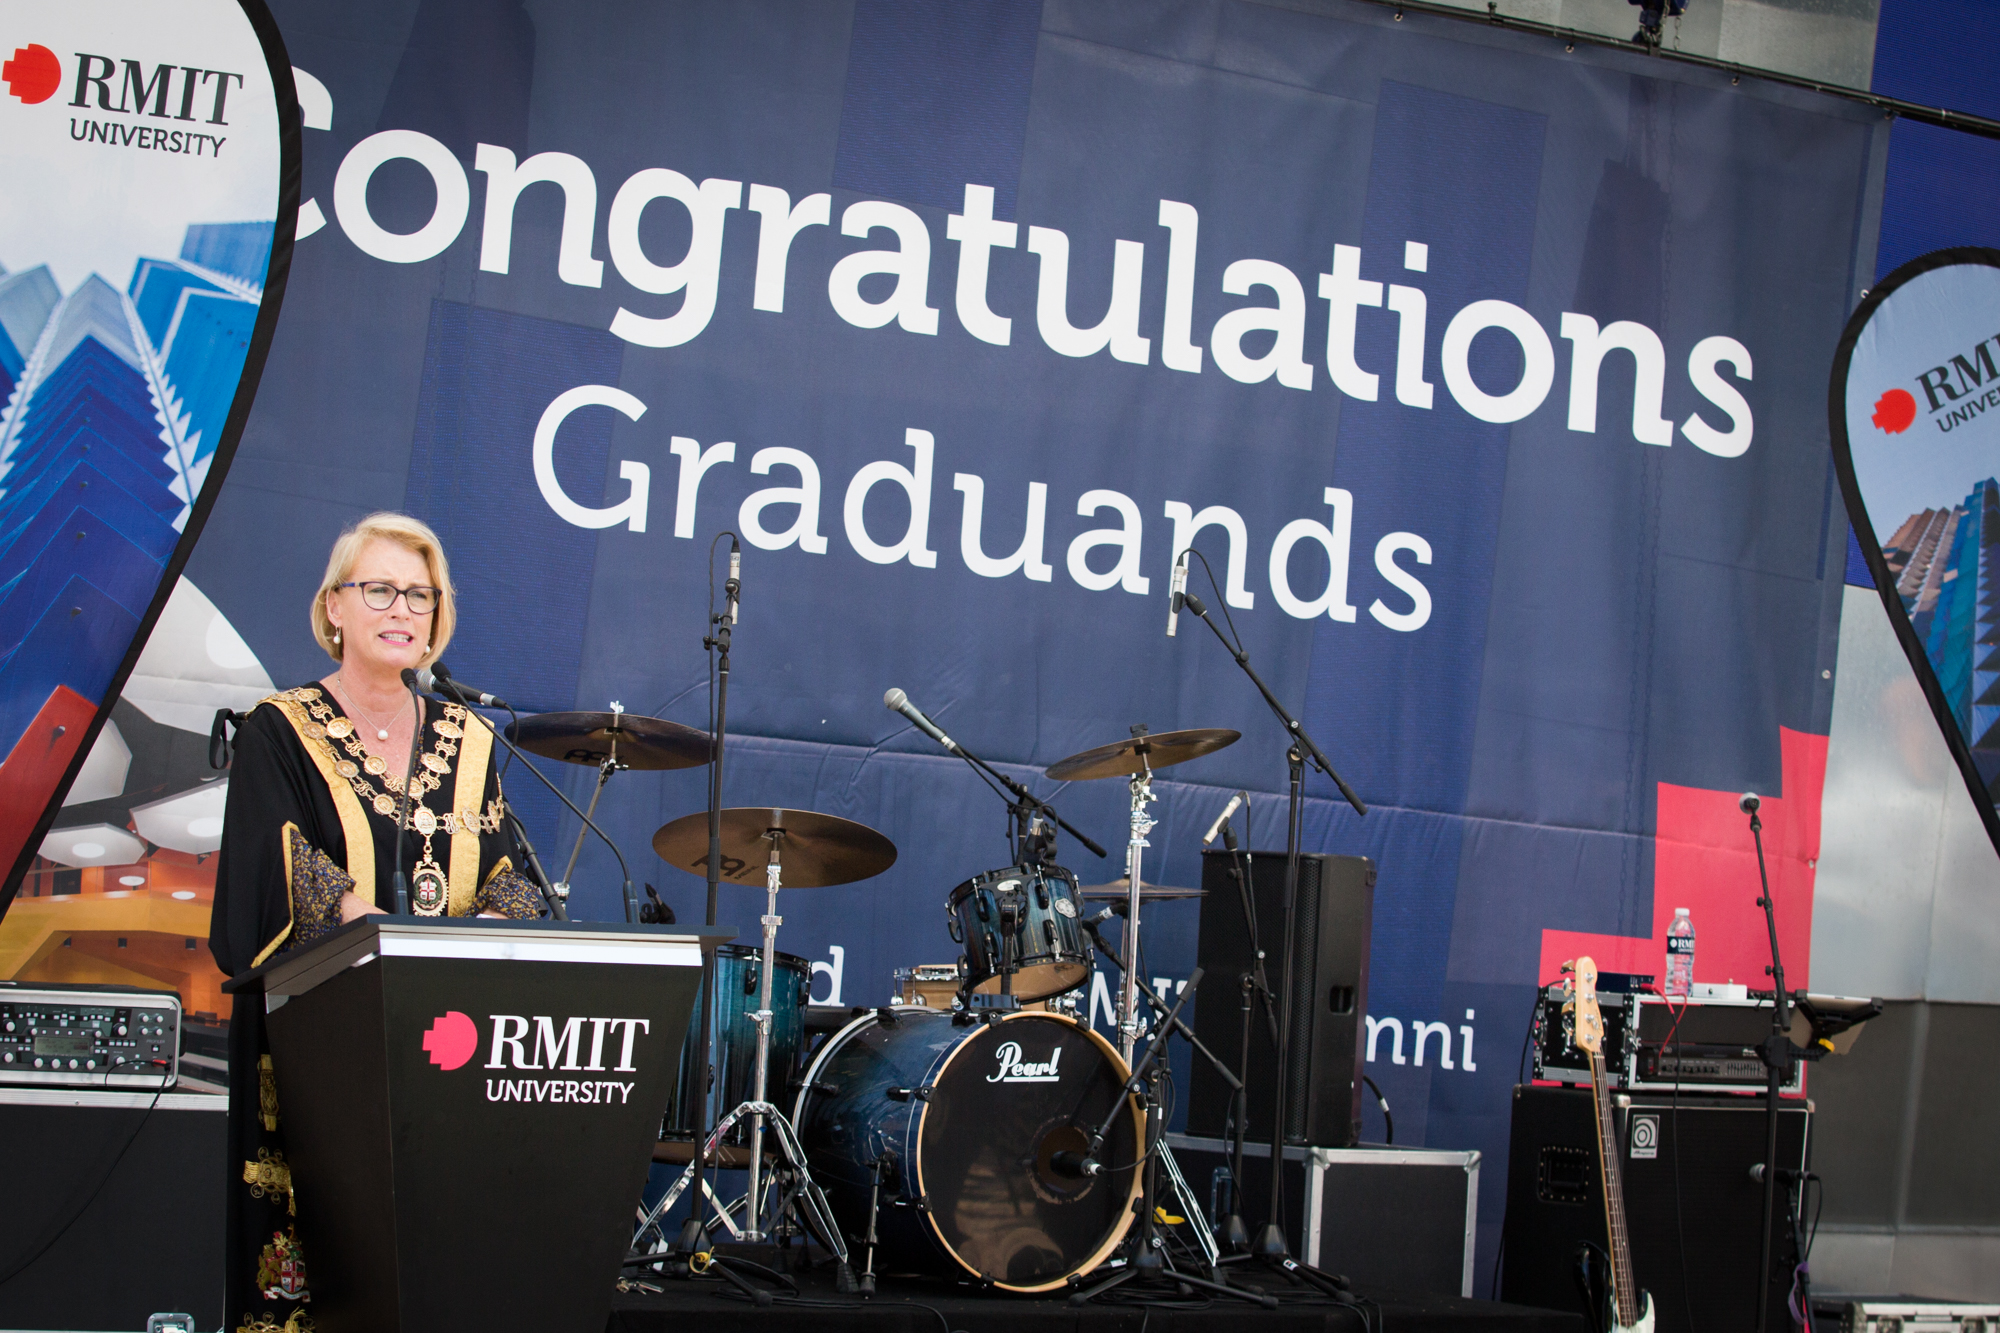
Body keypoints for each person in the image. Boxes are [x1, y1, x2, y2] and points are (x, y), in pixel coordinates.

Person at [208, 512, 542, 1332]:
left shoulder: (468, 739)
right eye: (382, 589)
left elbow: (514, 878)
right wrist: (387, 944)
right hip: (321, 1041)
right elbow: (276, 865)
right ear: (334, 608)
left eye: (421, 596)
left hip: (447, 1049)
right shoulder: (278, 730)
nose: (404, 609)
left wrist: (465, 948)